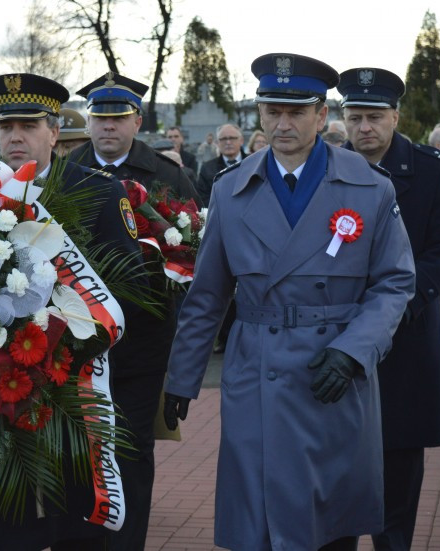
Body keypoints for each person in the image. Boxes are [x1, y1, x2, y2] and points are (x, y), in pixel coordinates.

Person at [163, 53, 416, 551]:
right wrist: (181, 377)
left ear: (322, 116)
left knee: (329, 525)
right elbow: (208, 294)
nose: (282, 123)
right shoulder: (232, 189)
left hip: (333, 375)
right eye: (272, 110)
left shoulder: (369, 187)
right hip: (256, 371)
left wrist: (353, 351)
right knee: (258, 522)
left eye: (296, 112)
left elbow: (394, 283)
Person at [0, 72, 144, 551]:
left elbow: (128, 291)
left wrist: (63, 342)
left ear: (54, 131)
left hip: (67, 387)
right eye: (6, 126)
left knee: (73, 516)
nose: (15, 136)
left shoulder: (100, 193)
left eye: (28, 125)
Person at [67, 71, 199, 551]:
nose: (107, 127)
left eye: (118, 118)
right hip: (77, 336)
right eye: (99, 117)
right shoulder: (68, 167)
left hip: (143, 337)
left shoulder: (167, 175)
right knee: (80, 444)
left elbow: (191, 251)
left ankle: (127, 541)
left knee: (131, 444)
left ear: (137, 120)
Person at [338, 66, 440, 550]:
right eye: (355, 117)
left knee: (400, 459)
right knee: (340, 459)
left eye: (374, 117)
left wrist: (395, 306)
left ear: (395, 116)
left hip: (406, 336)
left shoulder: (432, 169)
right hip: (340, 334)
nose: (363, 128)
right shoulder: (325, 166)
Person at [196, 123, 244, 204]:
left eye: (232, 138)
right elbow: (203, 198)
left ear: (241, 141)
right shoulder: (207, 168)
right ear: (217, 143)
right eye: (223, 139)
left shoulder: (254, 164)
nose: (228, 142)